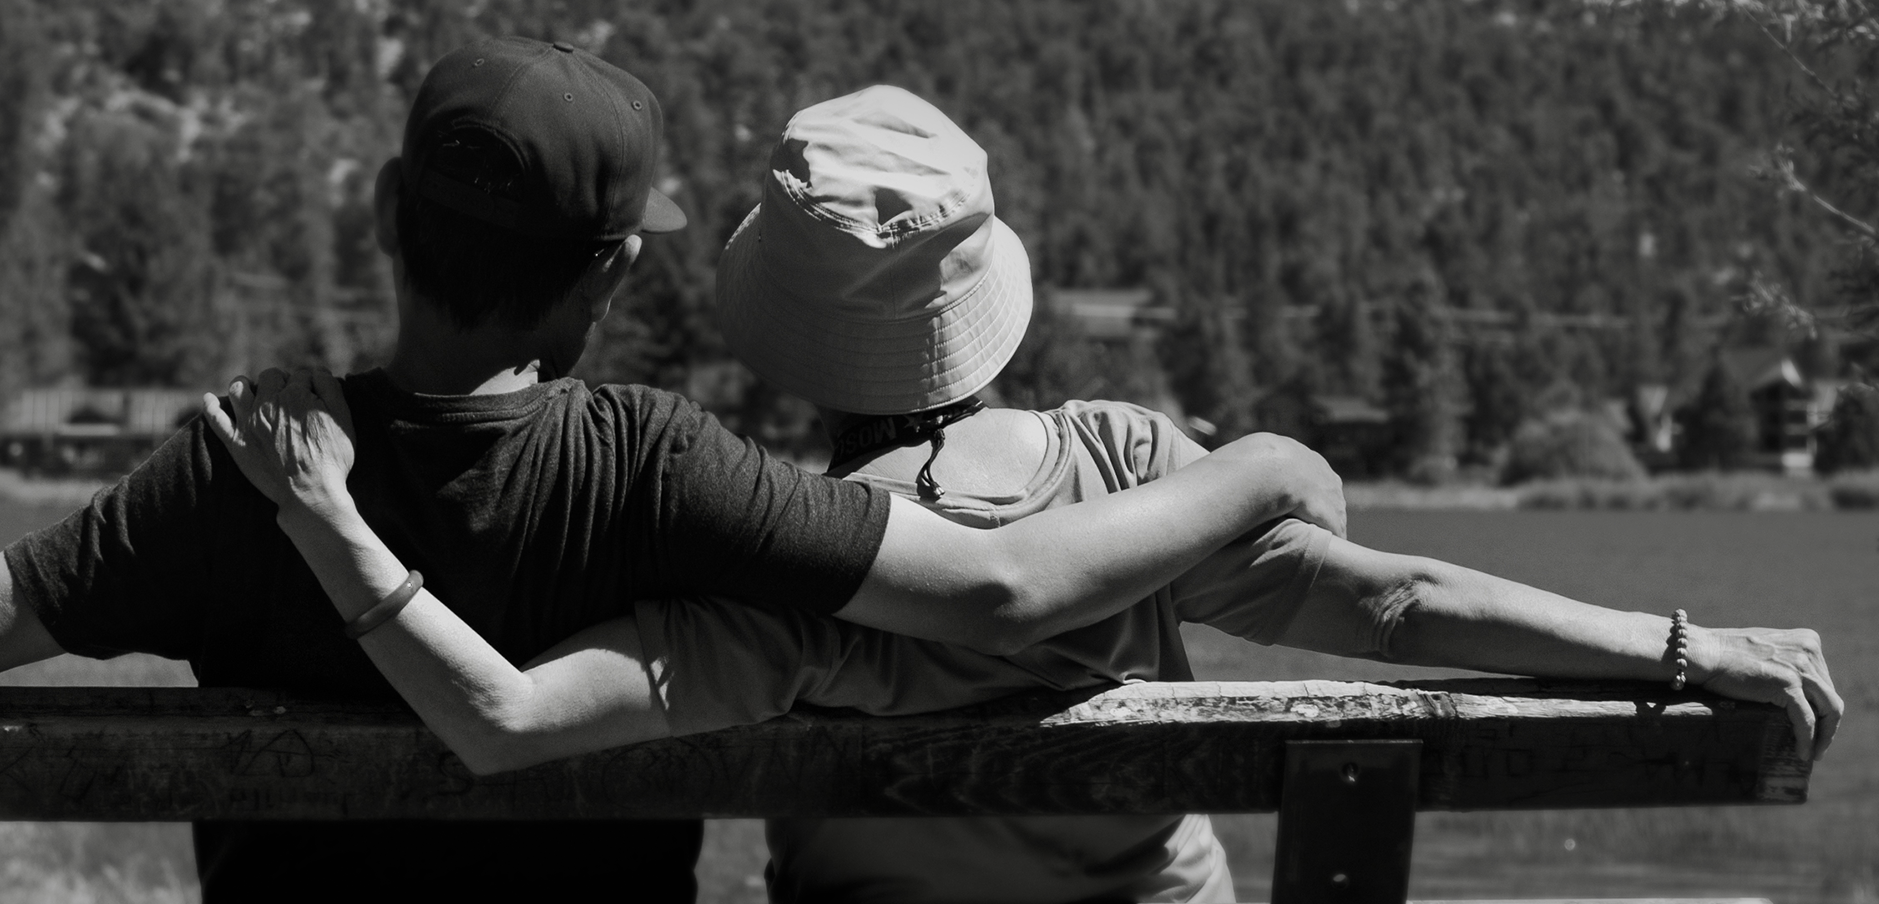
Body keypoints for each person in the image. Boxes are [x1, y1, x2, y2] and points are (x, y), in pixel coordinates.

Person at [0, 39, 1352, 902]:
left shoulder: (240, 469)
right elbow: (992, 588)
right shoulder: (660, 469)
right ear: (609, 276)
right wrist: (1259, 462)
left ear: (388, 224)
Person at [203, 86, 1844, 903]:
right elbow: (1400, 603)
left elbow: (508, 713)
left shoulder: (763, 555)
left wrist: (328, 517)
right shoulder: (1131, 470)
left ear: (792, 330)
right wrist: (1684, 647)